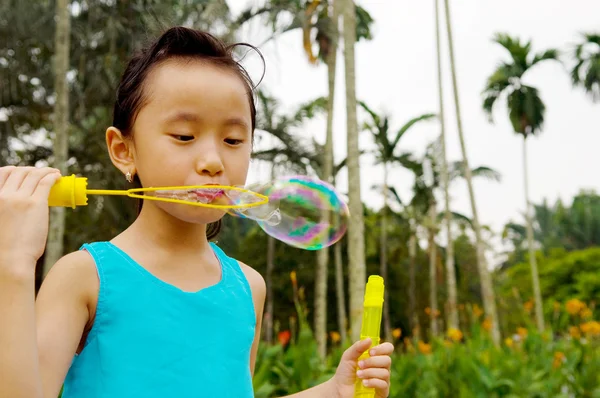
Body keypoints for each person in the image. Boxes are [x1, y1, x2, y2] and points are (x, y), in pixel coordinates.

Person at [0, 27, 393, 398]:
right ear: (124, 150)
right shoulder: (83, 276)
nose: (212, 161)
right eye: (184, 136)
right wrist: (13, 264)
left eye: (233, 139)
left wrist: (332, 390)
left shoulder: (248, 287)